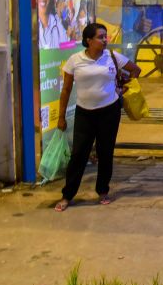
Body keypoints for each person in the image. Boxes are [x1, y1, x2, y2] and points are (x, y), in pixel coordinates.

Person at [54, 23, 141, 212]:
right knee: (78, 154)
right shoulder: (74, 60)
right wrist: (61, 117)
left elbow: (136, 70)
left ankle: (102, 191)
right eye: (100, 37)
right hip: (84, 113)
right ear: (88, 40)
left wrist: (122, 84)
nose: (105, 40)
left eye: (105, 37)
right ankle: (67, 195)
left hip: (109, 111)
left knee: (105, 152)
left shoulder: (112, 57)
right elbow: (66, 90)